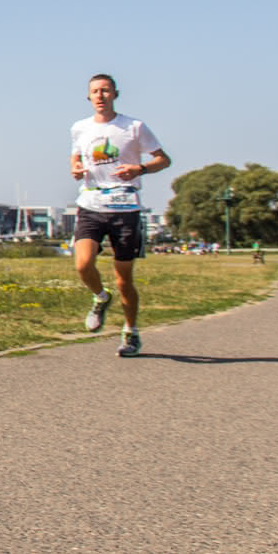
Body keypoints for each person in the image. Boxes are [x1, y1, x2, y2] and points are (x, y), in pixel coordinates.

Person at [70, 74, 170, 357]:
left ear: (115, 94)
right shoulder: (79, 128)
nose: (100, 96)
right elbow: (75, 155)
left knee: (124, 278)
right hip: (91, 202)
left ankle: (130, 333)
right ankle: (101, 297)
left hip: (125, 206)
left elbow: (164, 159)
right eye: (94, 92)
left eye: (105, 91)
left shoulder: (134, 127)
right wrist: (76, 168)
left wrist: (140, 169)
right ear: (88, 97)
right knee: (82, 264)